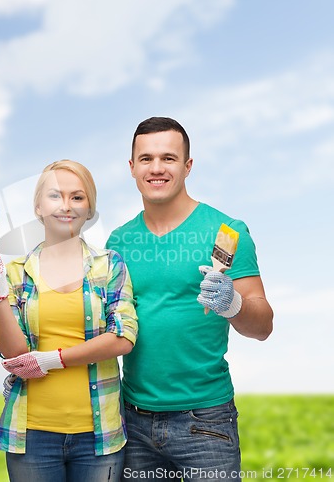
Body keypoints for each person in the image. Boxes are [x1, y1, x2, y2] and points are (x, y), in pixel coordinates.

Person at [106, 117, 274, 481]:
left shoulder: (226, 231)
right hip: (132, 421)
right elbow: (104, 326)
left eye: (168, 158)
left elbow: (263, 326)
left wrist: (233, 304)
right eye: (146, 158)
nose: (157, 168)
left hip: (206, 421)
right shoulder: (118, 242)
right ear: (132, 167)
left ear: (187, 166)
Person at [0, 160, 138, 482]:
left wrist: (53, 359)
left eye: (77, 197)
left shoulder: (109, 265)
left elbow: (123, 337)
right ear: (38, 206)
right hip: (32, 435)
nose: (66, 205)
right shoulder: (17, 272)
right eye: (55, 196)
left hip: (98, 436)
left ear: (89, 209)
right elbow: (14, 353)